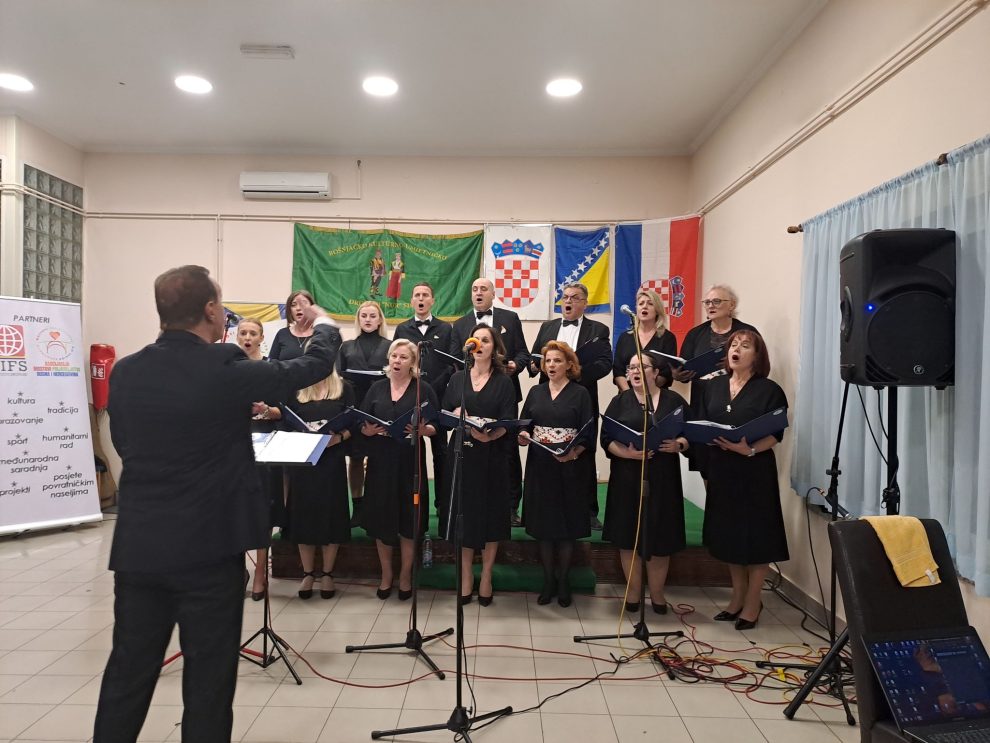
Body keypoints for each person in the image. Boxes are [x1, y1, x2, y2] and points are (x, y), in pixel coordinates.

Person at [94, 265, 340, 743]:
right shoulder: (224, 368)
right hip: (209, 548)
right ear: (211, 311)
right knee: (208, 681)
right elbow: (308, 368)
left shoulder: (126, 371)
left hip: (141, 545)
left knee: (128, 671)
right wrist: (324, 323)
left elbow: (124, 444)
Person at [699, 329, 788, 631]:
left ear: (757, 356)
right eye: (733, 344)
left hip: (754, 469)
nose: (736, 349)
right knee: (729, 536)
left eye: (745, 345)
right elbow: (705, 420)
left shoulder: (769, 390)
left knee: (756, 537)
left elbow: (776, 433)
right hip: (722, 468)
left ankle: (753, 602)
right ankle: (737, 597)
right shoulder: (714, 386)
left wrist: (748, 449)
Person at [601, 355, 689, 614]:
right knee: (628, 535)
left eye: (641, 366)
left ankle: (658, 594)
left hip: (663, 476)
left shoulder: (674, 400)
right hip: (627, 475)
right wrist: (626, 453)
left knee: (661, 535)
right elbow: (606, 438)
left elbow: (690, 432)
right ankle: (633, 591)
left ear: (656, 372)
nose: (635, 371)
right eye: (631, 368)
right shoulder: (619, 401)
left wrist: (679, 444)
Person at [440, 324, 516, 606]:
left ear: (495, 347)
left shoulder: (504, 381)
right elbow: (445, 412)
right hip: (462, 453)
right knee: (465, 514)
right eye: (476, 340)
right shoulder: (457, 378)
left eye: (486, 340)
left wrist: (490, 436)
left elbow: (509, 420)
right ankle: (465, 577)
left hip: (492, 455)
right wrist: (456, 412)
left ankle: (485, 576)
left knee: (491, 515)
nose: (480, 344)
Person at [358, 338, 439, 600]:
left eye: (403, 357)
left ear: (413, 362)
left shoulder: (423, 389)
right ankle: (386, 575)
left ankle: (405, 575)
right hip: (380, 460)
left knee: (408, 519)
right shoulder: (377, 388)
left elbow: (437, 424)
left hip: (409, 459)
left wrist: (424, 429)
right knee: (382, 518)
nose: (397, 361)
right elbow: (362, 421)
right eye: (394, 356)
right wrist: (366, 430)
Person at [529, 282, 612, 530]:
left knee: (584, 451)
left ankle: (588, 511)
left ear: (585, 303)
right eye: (565, 297)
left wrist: (573, 375)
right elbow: (535, 357)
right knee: (546, 451)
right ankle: (543, 508)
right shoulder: (548, 327)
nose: (568, 301)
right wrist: (534, 366)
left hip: (581, 397)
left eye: (574, 298)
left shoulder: (598, 329)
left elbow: (605, 364)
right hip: (549, 398)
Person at [518, 341, 594, 608]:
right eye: (548, 361)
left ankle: (564, 582)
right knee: (544, 527)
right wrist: (523, 435)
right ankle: (548, 580)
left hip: (569, 466)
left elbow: (588, 431)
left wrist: (573, 454)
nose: (551, 365)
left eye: (557, 361)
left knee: (565, 527)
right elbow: (524, 423)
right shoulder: (535, 392)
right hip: (540, 466)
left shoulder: (581, 393)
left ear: (569, 365)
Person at [452, 278, 529, 527]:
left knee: (508, 450)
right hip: (471, 393)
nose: (478, 292)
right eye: (474, 289)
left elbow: (523, 353)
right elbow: (454, 358)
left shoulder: (510, 318)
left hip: (503, 392)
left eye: (484, 289)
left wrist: (515, 365)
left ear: (493, 294)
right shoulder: (460, 324)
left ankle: (510, 506)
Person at [672, 284, 758, 481]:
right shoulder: (695, 334)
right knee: (707, 459)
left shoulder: (747, 332)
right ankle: (712, 500)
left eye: (717, 301)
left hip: (737, 401)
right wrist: (679, 374)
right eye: (707, 302)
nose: (711, 305)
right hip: (704, 402)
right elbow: (684, 365)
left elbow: (759, 366)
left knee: (735, 458)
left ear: (732, 305)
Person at [282, 371, 355, 599]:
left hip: (331, 458)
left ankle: (327, 573)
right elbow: (287, 421)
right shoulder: (298, 388)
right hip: (304, 459)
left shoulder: (343, 387)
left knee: (330, 513)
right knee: (304, 513)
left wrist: (338, 438)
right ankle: (308, 573)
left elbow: (354, 422)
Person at [393, 281, 455, 514]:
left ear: (432, 300)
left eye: (425, 295)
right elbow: (397, 360)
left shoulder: (445, 328)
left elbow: (450, 363)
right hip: (410, 396)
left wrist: (432, 387)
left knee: (441, 451)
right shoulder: (402, 328)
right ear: (411, 301)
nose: (421, 298)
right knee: (408, 448)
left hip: (437, 396)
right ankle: (407, 500)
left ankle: (442, 503)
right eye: (417, 295)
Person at [336, 300, 391, 526]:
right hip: (354, 406)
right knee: (356, 458)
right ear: (358, 319)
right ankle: (357, 507)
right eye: (364, 315)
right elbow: (338, 378)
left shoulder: (390, 346)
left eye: (372, 316)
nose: (368, 319)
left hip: (381, 408)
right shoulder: (346, 346)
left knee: (380, 459)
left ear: (380, 320)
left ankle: (377, 507)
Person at [234, 317, 276, 601]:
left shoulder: (270, 369)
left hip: (265, 443)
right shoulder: (229, 367)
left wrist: (265, 410)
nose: (247, 337)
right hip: (235, 445)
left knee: (262, 511)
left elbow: (283, 409)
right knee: (235, 510)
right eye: (243, 333)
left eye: (253, 333)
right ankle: (238, 570)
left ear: (261, 338)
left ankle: (261, 571)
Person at [612, 288, 676, 391]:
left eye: (650, 304)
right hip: (627, 395)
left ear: (657, 310)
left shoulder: (667, 338)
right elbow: (618, 370)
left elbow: (666, 372)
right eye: (641, 303)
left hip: (656, 394)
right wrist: (630, 395)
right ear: (637, 309)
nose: (644, 306)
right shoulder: (625, 338)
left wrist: (645, 393)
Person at [268, 289, 317, 361]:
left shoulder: (320, 335)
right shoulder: (282, 334)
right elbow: (271, 364)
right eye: (294, 305)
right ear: (290, 310)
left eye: (303, 304)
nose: (298, 308)